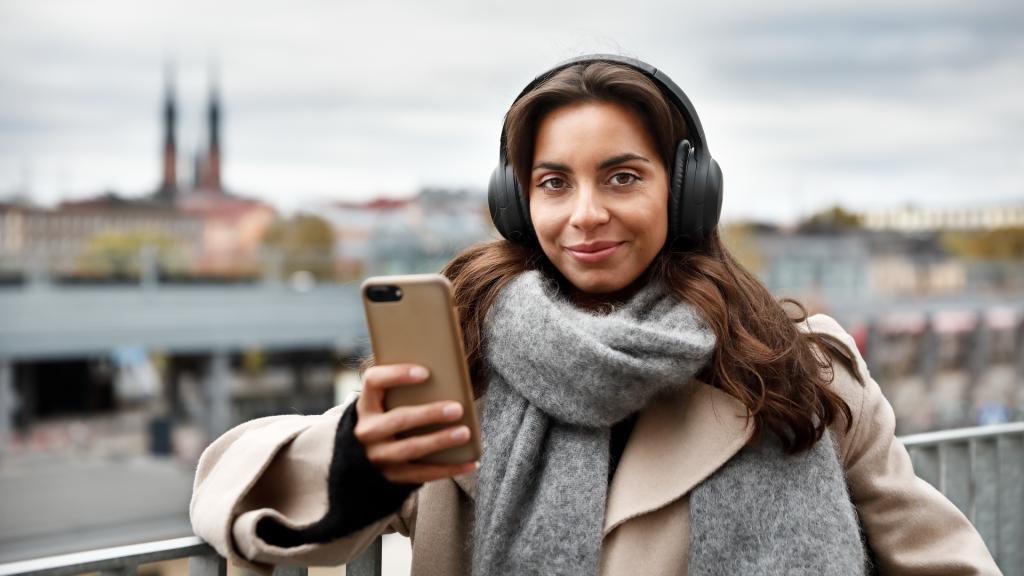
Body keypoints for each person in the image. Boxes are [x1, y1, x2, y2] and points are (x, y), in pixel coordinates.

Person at [190, 54, 1001, 575]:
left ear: (685, 192)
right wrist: (360, 465)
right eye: (552, 183)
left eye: (620, 177)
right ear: (517, 202)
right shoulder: (465, 362)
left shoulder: (798, 365)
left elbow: (941, 560)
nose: (584, 215)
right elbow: (249, 496)